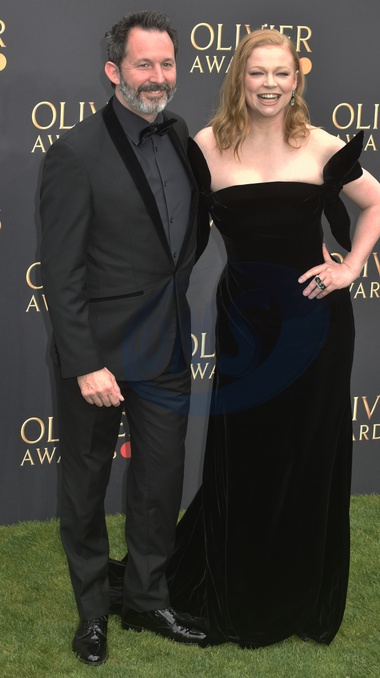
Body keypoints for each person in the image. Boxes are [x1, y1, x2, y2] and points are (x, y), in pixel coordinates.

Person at [163, 28, 380, 647]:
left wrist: (350, 267)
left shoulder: (320, 145)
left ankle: (300, 597)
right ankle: (241, 588)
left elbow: (376, 203)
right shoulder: (206, 146)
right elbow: (175, 225)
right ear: (239, 77)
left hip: (316, 325)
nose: (269, 84)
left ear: (296, 81)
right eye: (258, 72)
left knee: (309, 454)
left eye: (281, 74)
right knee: (249, 454)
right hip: (247, 325)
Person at [40, 10, 208, 666]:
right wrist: (85, 362)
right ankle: (92, 613)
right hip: (99, 357)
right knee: (85, 486)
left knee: (159, 480)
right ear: (115, 70)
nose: (157, 75)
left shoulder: (182, 136)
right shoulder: (75, 152)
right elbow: (61, 272)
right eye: (144, 63)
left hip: (165, 348)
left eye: (166, 63)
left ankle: (146, 598)